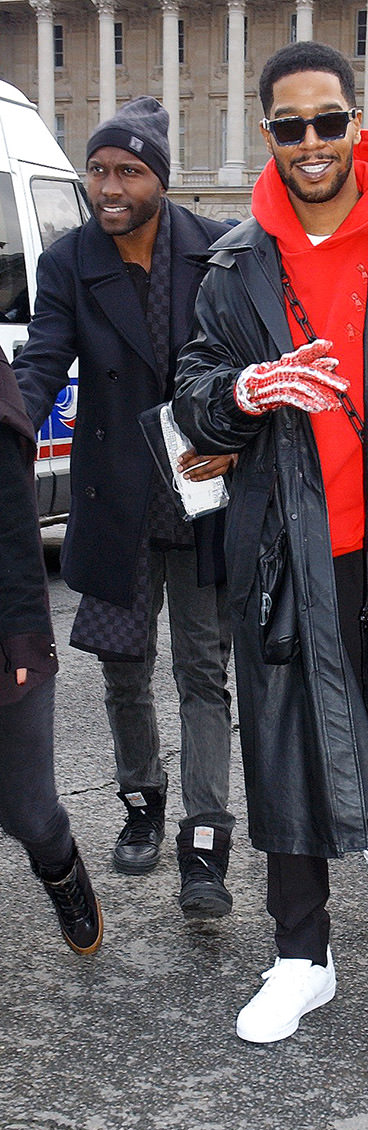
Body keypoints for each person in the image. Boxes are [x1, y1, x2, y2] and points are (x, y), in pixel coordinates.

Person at [173, 41, 368, 1044]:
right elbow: (192, 392)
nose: (309, 143)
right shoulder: (234, 264)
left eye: (327, 121)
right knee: (283, 747)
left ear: (357, 123)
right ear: (267, 134)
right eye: (288, 126)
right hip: (280, 545)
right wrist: (238, 393)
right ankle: (300, 956)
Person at [14, 97, 236, 920]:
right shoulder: (71, 261)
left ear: (160, 180)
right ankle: (142, 800)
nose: (109, 186)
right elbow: (43, 360)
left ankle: (205, 839)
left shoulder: (215, 250)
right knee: (123, 668)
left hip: (200, 489)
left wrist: (239, 437)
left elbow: (249, 365)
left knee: (204, 670)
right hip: (113, 494)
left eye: (128, 172)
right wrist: (12, 425)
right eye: (99, 170)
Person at [0, 347, 102, 955]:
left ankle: (60, 866)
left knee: (28, 810)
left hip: (6, 635)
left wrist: (22, 637)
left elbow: (14, 533)